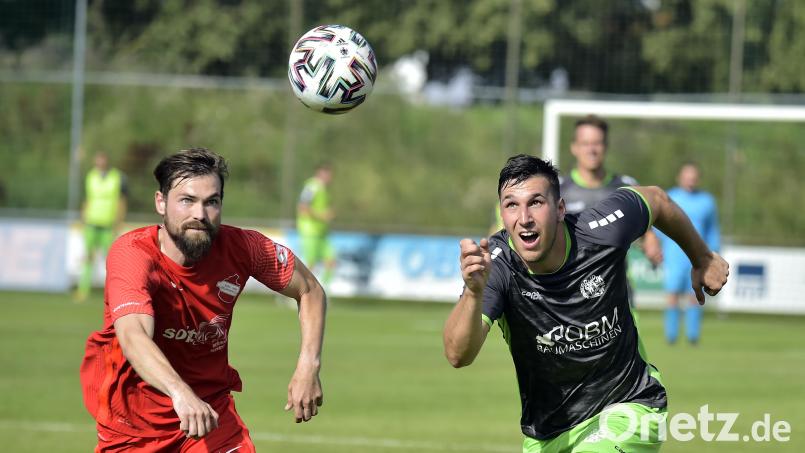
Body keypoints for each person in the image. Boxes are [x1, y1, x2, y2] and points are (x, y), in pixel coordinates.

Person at [444, 155, 728, 453]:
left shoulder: (601, 229)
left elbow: (656, 200)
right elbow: (457, 354)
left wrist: (702, 258)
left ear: (560, 209)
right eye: (511, 204)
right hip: (549, 434)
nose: (524, 218)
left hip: (629, 406)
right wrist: (473, 294)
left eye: (536, 202)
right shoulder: (497, 267)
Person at [80, 148, 327, 452]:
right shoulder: (133, 255)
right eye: (187, 200)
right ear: (161, 202)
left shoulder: (244, 247)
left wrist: (308, 365)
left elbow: (310, 290)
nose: (200, 214)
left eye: (211, 202)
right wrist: (180, 393)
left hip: (211, 413)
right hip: (133, 423)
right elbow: (133, 335)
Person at [560, 115, 662, 266]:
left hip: (618, 285)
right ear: (574, 147)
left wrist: (650, 239)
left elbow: (647, 232)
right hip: (572, 284)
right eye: (585, 143)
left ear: (606, 146)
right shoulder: (558, 189)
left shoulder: (626, 187)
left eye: (597, 143)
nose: (591, 150)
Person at [658, 162, 720, 345]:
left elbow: (712, 229)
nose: (690, 180)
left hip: (697, 256)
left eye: (694, 176)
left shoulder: (707, 201)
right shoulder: (670, 197)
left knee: (695, 296)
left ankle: (693, 337)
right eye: (687, 175)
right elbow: (659, 226)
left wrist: (714, 252)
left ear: (698, 178)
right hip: (674, 255)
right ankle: (671, 336)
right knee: (672, 295)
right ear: (680, 177)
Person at [76, 151, 128, 302]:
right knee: (88, 258)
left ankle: (114, 292)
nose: (100, 163)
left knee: (111, 260)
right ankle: (83, 290)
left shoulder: (117, 177)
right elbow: (86, 199)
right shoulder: (90, 176)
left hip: (108, 224)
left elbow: (121, 201)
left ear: (106, 161)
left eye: (102, 160)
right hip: (91, 223)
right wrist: (83, 218)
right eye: (97, 160)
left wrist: (119, 220)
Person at [297, 163, 336, 285]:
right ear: (321, 173)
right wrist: (322, 215)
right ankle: (294, 293)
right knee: (309, 266)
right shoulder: (312, 186)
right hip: (310, 231)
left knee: (331, 262)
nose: (330, 177)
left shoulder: (325, 190)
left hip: (322, 233)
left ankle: (323, 293)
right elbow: (303, 207)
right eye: (328, 174)